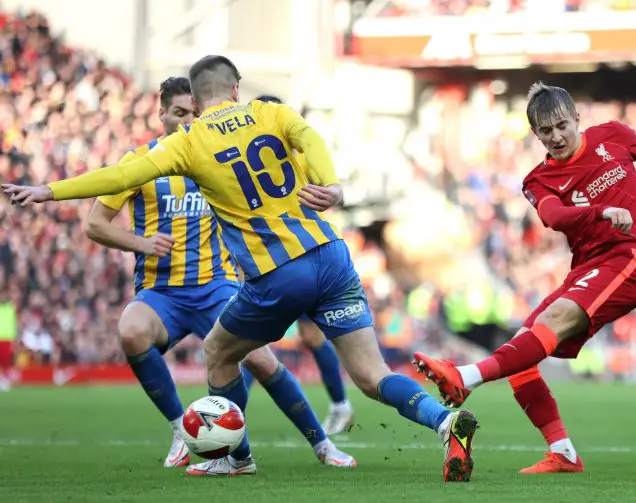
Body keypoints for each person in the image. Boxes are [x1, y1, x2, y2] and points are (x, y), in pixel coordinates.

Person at [3, 56, 478, 482]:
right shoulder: (271, 112)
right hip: (332, 257)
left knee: (219, 353)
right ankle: (442, 421)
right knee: (373, 376)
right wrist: (330, 186)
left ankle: (234, 456)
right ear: (236, 88)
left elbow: (122, 176)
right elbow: (309, 136)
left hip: (278, 272)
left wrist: (50, 189)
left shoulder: (188, 143)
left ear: (198, 93)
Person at [412, 82, 636, 474]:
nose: (556, 137)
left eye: (561, 126)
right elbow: (554, 217)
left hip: (629, 260)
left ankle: (465, 377)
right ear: (535, 134)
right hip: (587, 269)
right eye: (545, 132)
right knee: (522, 354)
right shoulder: (538, 180)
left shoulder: (613, 138)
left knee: (545, 328)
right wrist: (600, 211)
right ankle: (563, 451)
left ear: (576, 120)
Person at [81, 77, 355, 471]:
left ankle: (322, 444)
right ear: (160, 114)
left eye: (191, 113)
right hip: (162, 292)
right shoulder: (140, 163)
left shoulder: (214, 157)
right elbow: (95, 224)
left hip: (216, 285)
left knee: (261, 361)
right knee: (130, 330)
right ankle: (181, 428)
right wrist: (140, 243)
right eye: (177, 113)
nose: (185, 120)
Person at [254, 94, 354, 436]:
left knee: (242, 343)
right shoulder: (297, 157)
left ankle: (230, 419)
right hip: (309, 258)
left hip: (285, 260)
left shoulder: (282, 162)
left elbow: (325, 195)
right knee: (311, 337)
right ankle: (340, 405)